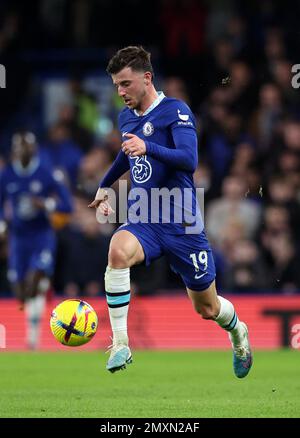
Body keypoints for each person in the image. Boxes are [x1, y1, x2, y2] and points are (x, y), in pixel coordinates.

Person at [89, 46, 253, 377]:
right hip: (145, 217)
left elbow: (189, 160)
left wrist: (148, 146)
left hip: (182, 224)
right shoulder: (126, 117)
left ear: (147, 78)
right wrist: (105, 186)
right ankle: (120, 343)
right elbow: (125, 154)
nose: (120, 92)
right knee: (118, 251)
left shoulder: (176, 112)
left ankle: (239, 333)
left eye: (125, 84)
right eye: (116, 86)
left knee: (207, 308)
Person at [0, 131, 73, 349]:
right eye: (19, 147)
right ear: (14, 150)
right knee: (21, 293)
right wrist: (2, 224)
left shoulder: (46, 173)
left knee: (34, 277)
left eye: (27, 147)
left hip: (42, 236)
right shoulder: (7, 175)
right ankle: (38, 291)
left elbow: (67, 205)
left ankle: (33, 336)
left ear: (34, 149)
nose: (23, 151)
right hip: (19, 239)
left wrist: (46, 205)